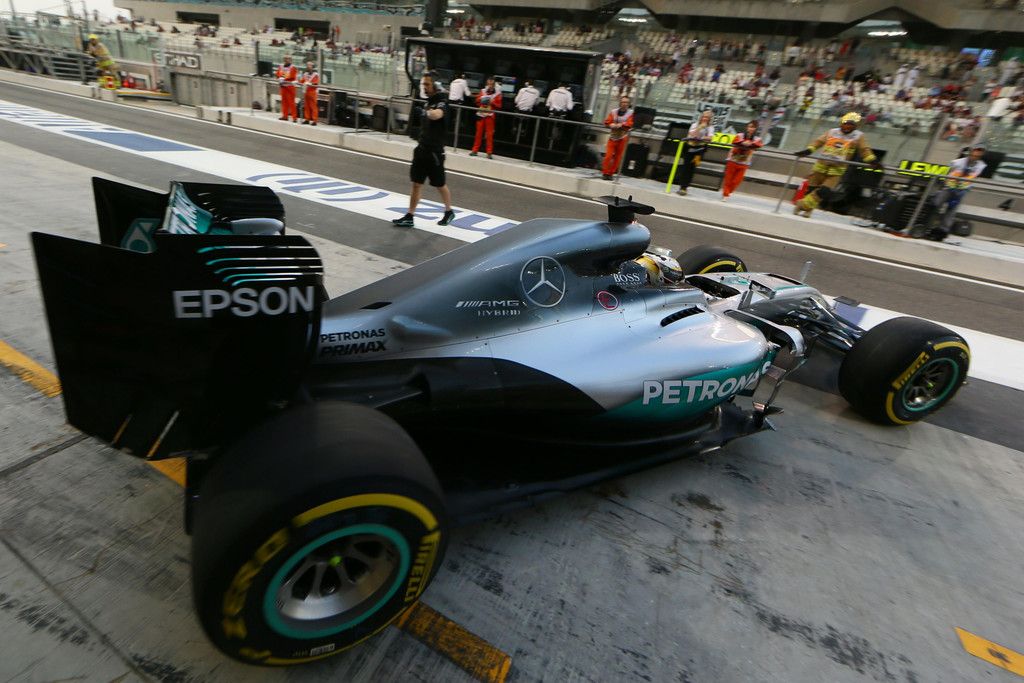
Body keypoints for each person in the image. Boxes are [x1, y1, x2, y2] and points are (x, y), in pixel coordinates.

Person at [392, 74, 456, 229]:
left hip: (435, 152)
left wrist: (426, 113)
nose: (424, 87)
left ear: (435, 85)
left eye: (427, 84)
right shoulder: (429, 102)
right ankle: (410, 216)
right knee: (416, 183)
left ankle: (449, 211)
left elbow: (437, 115)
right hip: (422, 149)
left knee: (439, 184)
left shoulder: (442, 102)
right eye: (423, 84)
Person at [793, 112, 881, 218]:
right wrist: (807, 151)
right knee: (812, 190)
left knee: (824, 191)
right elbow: (818, 142)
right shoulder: (832, 132)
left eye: (851, 125)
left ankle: (802, 205)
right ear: (841, 123)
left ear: (855, 126)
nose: (847, 126)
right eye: (846, 124)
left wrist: (873, 161)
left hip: (837, 170)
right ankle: (808, 209)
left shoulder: (858, 136)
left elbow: (864, 150)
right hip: (820, 166)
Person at [924, 145, 987, 241]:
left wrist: (962, 188)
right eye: (974, 154)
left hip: (961, 190)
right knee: (936, 204)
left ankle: (942, 231)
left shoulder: (981, 165)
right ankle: (927, 226)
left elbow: (972, 177)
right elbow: (948, 174)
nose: (975, 157)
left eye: (978, 155)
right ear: (970, 153)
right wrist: (945, 184)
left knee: (951, 210)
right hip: (949, 187)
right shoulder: (957, 162)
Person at [721, 120, 764, 200]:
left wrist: (750, 143)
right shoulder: (740, 135)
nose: (751, 129)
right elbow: (735, 141)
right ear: (747, 127)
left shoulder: (757, 138)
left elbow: (759, 144)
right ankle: (725, 195)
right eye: (750, 127)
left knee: (737, 181)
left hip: (744, 162)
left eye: (753, 127)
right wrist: (743, 143)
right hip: (733, 160)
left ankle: (728, 192)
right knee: (728, 179)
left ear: (756, 129)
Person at [676, 109, 715, 196]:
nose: (705, 119)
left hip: (700, 150)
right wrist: (700, 127)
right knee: (686, 167)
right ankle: (683, 187)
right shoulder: (695, 125)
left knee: (693, 166)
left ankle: (686, 186)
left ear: (709, 119)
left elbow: (710, 138)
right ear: (701, 117)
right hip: (689, 148)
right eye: (704, 117)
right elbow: (692, 134)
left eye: (707, 118)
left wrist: (702, 137)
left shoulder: (710, 128)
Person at [601, 96, 634, 180]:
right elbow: (607, 121)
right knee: (608, 156)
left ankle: (611, 173)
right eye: (623, 102)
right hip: (612, 137)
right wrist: (610, 124)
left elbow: (630, 124)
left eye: (626, 102)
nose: (624, 104)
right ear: (620, 103)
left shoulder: (631, 113)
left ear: (629, 104)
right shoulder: (614, 112)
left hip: (622, 138)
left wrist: (622, 124)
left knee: (618, 157)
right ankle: (605, 173)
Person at [470, 77, 502, 159]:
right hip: (481, 115)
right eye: (489, 83)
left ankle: (489, 152)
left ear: (494, 84)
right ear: (487, 84)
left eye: (491, 84)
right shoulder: (483, 91)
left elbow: (499, 106)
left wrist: (492, 102)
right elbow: (476, 101)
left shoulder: (498, 93)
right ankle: (474, 150)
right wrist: (481, 99)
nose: (490, 85)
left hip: (490, 116)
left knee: (489, 135)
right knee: (478, 134)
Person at [275, 55, 299, 122]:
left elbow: (292, 76)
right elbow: (277, 74)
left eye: (288, 59)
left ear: (291, 60)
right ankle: (285, 116)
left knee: (291, 103)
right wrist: (279, 77)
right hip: (283, 86)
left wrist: (283, 78)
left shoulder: (293, 67)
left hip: (290, 87)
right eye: (285, 58)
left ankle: (294, 118)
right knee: (284, 102)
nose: (286, 60)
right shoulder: (281, 66)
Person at [299, 61, 319, 125]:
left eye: (309, 65)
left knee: (313, 107)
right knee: (306, 106)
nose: (308, 66)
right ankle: (307, 119)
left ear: (312, 67)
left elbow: (316, 83)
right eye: (307, 65)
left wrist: (310, 83)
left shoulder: (315, 75)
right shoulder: (305, 74)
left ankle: (314, 120)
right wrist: (298, 81)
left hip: (312, 92)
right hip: (306, 91)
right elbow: (302, 81)